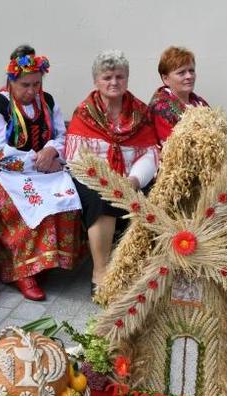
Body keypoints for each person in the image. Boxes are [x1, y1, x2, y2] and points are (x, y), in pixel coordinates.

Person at [0, 45, 82, 302]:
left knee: (66, 200)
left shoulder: (47, 102)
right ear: (11, 81)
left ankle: (47, 262)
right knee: (35, 207)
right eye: (25, 85)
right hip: (10, 173)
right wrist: (35, 160)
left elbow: (61, 135)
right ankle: (22, 272)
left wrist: (51, 150)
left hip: (46, 168)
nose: (32, 91)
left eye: (36, 84)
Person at [64, 50, 159, 296]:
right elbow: (76, 157)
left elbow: (150, 153)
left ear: (127, 79)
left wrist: (134, 180)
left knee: (156, 197)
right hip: (95, 178)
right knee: (101, 199)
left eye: (119, 76)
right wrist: (106, 181)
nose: (114, 82)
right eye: (107, 77)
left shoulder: (140, 111)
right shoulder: (84, 112)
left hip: (132, 178)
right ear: (96, 81)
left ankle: (140, 271)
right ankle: (101, 272)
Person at [148, 46, 208, 146]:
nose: (189, 76)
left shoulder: (199, 103)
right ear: (165, 78)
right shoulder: (161, 108)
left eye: (191, 71)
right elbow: (173, 151)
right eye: (181, 72)